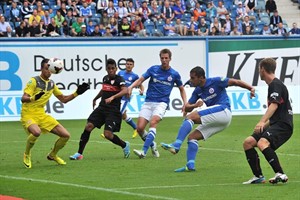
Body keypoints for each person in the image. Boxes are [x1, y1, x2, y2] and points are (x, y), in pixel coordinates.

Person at [161, 66, 255, 172]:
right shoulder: (197, 91)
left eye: (193, 78)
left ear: (201, 78)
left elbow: (236, 82)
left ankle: (177, 144)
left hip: (224, 110)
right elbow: (187, 106)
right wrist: (195, 105)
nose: (190, 80)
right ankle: (190, 165)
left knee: (190, 117)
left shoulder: (216, 81)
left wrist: (250, 88)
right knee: (192, 137)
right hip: (220, 120)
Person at [21, 58, 90, 168]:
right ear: (41, 69)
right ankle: (27, 154)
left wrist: (77, 93)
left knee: (66, 135)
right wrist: (33, 98)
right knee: (36, 132)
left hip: (42, 115)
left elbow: (64, 99)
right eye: (46, 68)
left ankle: (52, 155)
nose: (49, 71)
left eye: (50, 69)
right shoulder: (34, 81)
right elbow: (23, 98)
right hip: (28, 114)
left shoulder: (52, 84)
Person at [128, 48, 187, 159]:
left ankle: (143, 151)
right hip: (148, 102)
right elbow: (140, 80)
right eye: (162, 58)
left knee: (153, 122)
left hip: (161, 103)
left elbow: (182, 89)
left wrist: (185, 103)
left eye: (166, 58)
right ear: (160, 58)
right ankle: (152, 144)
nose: (164, 60)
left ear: (170, 59)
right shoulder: (153, 69)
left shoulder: (174, 74)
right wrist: (131, 87)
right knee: (140, 128)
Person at [242, 58, 293, 184]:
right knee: (248, 143)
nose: (259, 72)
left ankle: (280, 173)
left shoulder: (276, 85)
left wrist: (261, 122)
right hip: (276, 123)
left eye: (259, 69)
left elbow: (274, 105)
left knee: (262, 143)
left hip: (283, 125)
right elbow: (276, 112)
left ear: (263, 69)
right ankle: (258, 176)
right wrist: (265, 125)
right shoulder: (273, 86)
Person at [70, 58, 130, 160]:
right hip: (102, 108)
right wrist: (95, 98)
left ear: (116, 69)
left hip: (113, 110)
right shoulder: (105, 78)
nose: (110, 70)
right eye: (108, 68)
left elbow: (126, 90)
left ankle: (124, 145)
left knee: (107, 134)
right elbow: (103, 90)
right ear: (106, 69)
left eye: (112, 68)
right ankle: (79, 154)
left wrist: (113, 97)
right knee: (88, 126)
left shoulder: (119, 80)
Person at [115, 58, 144, 138]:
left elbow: (141, 85)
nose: (129, 66)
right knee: (123, 115)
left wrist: (141, 91)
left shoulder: (134, 76)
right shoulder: (120, 73)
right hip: (118, 96)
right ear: (125, 65)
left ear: (133, 66)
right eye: (127, 64)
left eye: (130, 64)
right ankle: (136, 128)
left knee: (118, 113)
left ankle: (110, 130)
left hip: (125, 98)